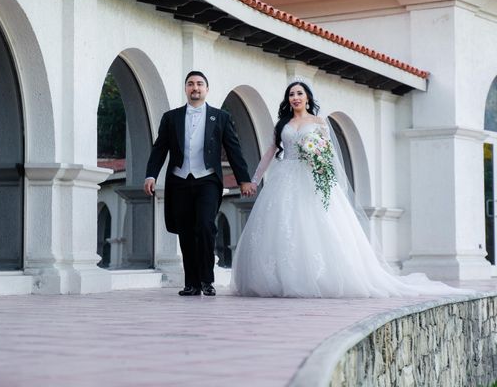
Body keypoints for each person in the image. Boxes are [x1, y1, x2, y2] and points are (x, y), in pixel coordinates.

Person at [231, 80, 472, 298]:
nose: (295, 97)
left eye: (299, 93)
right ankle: (281, 278)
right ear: (288, 100)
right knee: (283, 225)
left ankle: (319, 278)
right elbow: (269, 154)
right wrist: (254, 179)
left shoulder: (318, 122)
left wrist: (320, 166)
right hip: (285, 176)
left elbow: (328, 154)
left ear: (307, 98)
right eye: (291, 94)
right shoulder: (282, 124)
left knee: (316, 224)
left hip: (313, 178)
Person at [145, 71, 255, 296]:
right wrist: (151, 175)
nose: (195, 87)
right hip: (179, 180)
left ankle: (207, 280)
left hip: (207, 180)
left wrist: (244, 179)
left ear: (207, 89)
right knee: (185, 232)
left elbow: (234, 150)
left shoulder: (220, 117)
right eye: (190, 84)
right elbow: (159, 149)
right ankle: (192, 283)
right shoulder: (170, 117)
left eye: (199, 84)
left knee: (205, 226)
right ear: (185, 89)